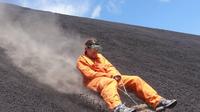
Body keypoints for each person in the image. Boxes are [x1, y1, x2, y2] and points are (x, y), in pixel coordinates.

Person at [76, 39, 177, 112]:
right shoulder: (81, 60)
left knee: (135, 79)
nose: (96, 51)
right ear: (87, 49)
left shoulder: (100, 57)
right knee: (109, 81)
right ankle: (117, 108)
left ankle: (158, 102)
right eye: (94, 48)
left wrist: (115, 74)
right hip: (93, 82)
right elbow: (89, 74)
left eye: (97, 48)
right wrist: (109, 76)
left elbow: (110, 67)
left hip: (108, 78)